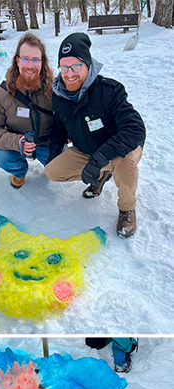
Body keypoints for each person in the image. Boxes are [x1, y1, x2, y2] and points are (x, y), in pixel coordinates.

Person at [46, 32, 145, 237]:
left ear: (88, 65)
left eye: (76, 66)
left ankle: (127, 208)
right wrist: (54, 152)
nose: (69, 73)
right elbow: (58, 128)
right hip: (87, 151)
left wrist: (100, 158)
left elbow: (135, 128)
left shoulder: (110, 90)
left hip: (120, 151)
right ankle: (101, 175)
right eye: (64, 67)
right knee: (52, 172)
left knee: (125, 163)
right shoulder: (59, 95)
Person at [0, 33, 55, 189]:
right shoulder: (3, 93)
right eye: (25, 59)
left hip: (46, 142)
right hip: (16, 144)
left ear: (42, 63)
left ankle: (52, 168)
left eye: (35, 60)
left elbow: (68, 123)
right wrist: (17, 142)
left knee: (62, 167)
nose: (30, 65)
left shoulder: (54, 90)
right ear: (17, 60)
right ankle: (19, 172)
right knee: (2, 157)